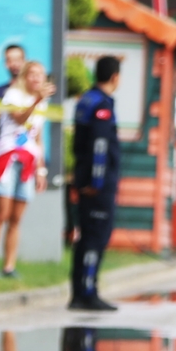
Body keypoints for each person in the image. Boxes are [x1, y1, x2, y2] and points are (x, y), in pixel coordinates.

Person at [0, 60, 54, 278]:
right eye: (32, 74)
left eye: (40, 74)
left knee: (16, 218)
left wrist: (41, 170)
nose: (36, 78)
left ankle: (9, 266)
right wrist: (36, 100)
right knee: (1, 214)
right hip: (6, 158)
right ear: (24, 76)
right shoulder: (13, 95)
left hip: (27, 162)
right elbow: (20, 118)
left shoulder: (43, 104)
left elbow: (37, 138)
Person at [69, 56, 122, 311]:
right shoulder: (102, 104)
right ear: (115, 77)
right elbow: (99, 146)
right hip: (97, 185)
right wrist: (96, 181)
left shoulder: (85, 100)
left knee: (85, 238)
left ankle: (79, 292)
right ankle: (88, 292)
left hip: (84, 178)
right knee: (95, 238)